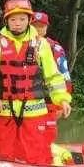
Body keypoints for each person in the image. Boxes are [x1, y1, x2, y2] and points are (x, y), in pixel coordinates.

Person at [0, 0, 72, 165]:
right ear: (6, 21)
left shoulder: (41, 44)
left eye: (22, 19)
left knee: (36, 156)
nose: (17, 23)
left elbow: (53, 76)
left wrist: (63, 99)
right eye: (13, 19)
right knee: (6, 156)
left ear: (29, 20)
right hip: (4, 111)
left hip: (34, 113)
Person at [32, 11, 72, 144]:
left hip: (48, 99)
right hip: (24, 99)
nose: (38, 29)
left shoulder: (55, 48)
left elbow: (64, 74)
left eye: (41, 26)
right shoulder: (17, 45)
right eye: (35, 25)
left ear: (46, 28)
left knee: (46, 136)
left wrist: (62, 101)